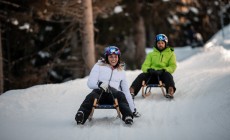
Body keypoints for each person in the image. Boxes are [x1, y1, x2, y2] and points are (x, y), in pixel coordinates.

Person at [75, 46, 140, 125]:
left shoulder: (121, 71)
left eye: (115, 57)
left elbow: (126, 91)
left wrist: (132, 109)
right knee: (91, 95)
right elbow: (90, 83)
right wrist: (99, 84)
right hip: (99, 93)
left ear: (118, 57)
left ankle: (128, 116)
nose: (113, 59)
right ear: (106, 57)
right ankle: (81, 114)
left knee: (121, 94)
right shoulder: (98, 66)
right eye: (111, 57)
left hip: (113, 95)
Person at [130, 34, 177, 98]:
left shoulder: (171, 54)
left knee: (168, 75)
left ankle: (170, 91)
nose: (160, 44)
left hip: (162, 76)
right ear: (156, 44)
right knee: (141, 75)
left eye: (162, 43)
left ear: (165, 43)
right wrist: (149, 70)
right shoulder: (151, 54)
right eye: (159, 43)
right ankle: (132, 91)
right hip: (151, 75)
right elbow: (144, 66)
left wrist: (164, 70)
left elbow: (172, 66)